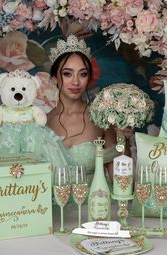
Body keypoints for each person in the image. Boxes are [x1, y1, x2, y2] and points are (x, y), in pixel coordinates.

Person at [47, 34, 122, 183]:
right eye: (67, 74)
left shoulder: (100, 118)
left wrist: (123, 139)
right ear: (55, 79)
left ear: (88, 79)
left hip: (94, 203)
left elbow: (120, 182)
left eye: (83, 74)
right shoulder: (42, 122)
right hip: (53, 205)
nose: (76, 82)